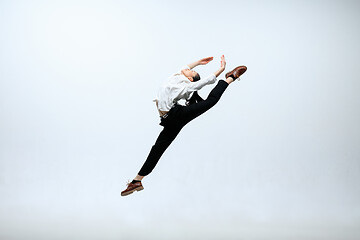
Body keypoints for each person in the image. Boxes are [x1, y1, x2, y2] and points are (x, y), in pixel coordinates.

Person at [121, 55, 247, 196]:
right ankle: (136, 181)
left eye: (192, 72)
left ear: (190, 79)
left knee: (210, 101)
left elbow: (206, 81)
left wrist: (221, 69)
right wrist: (199, 63)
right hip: (168, 120)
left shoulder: (184, 86)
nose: (189, 70)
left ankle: (230, 78)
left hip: (176, 115)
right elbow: (186, 67)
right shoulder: (177, 76)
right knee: (157, 149)